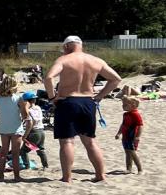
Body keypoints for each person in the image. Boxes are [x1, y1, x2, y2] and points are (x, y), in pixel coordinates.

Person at [43, 35, 121, 183]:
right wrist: (99, 97)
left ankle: (67, 177)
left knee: (67, 142)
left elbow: (48, 78)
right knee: (90, 142)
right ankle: (100, 175)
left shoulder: (64, 60)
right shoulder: (96, 60)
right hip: (87, 101)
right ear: (81, 45)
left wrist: (52, 97)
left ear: (66, 46)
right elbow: (116, 79)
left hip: (68, 101)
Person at [0, 76, 27, 181]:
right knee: (15, 154)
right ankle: (16, 176)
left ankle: (1, 176)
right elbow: (25, 115)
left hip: (4, 128)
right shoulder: (18, 98)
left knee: (3, 153)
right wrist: (25, 107)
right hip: (16, 128)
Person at [116, 96, 144, 175]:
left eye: (125, 104)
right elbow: (123, 125)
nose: (123, 106)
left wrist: (138, 136)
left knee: (132, 152)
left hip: (132, 136)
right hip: (125, 136)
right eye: (122, 104)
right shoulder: (125, 114)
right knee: (127, 152)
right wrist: (119, 133)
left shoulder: (136, 114)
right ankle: (129, 168)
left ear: (133, 105)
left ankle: (140, 169)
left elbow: (140, 125)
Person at [23, 93, 48, 169]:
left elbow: (30, 124)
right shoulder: (38, 108)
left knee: (23, 151)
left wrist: (25, 136)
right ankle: (45, 165)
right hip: (41, 131)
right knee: (41, 149)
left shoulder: (28, 111)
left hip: (34, 132)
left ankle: (27, 166)